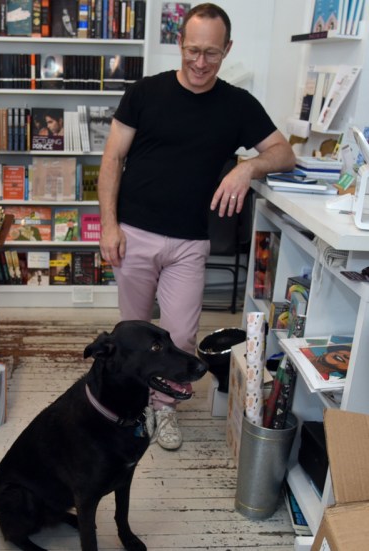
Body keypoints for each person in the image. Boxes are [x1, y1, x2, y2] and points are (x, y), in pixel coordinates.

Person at [97, 3, 295, 450]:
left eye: (211, 53)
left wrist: (247, 168)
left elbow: (284, 153)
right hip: (134, 234)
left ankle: (163, 410)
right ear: (179, 44)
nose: (200, 63)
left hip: (190, 242)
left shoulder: (237, 105)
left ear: (227, 49)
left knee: (181, 336)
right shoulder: (145, 93)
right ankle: (128, 406)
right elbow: (111, 159)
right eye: (192, 51)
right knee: (131, 334)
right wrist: (108, 226)